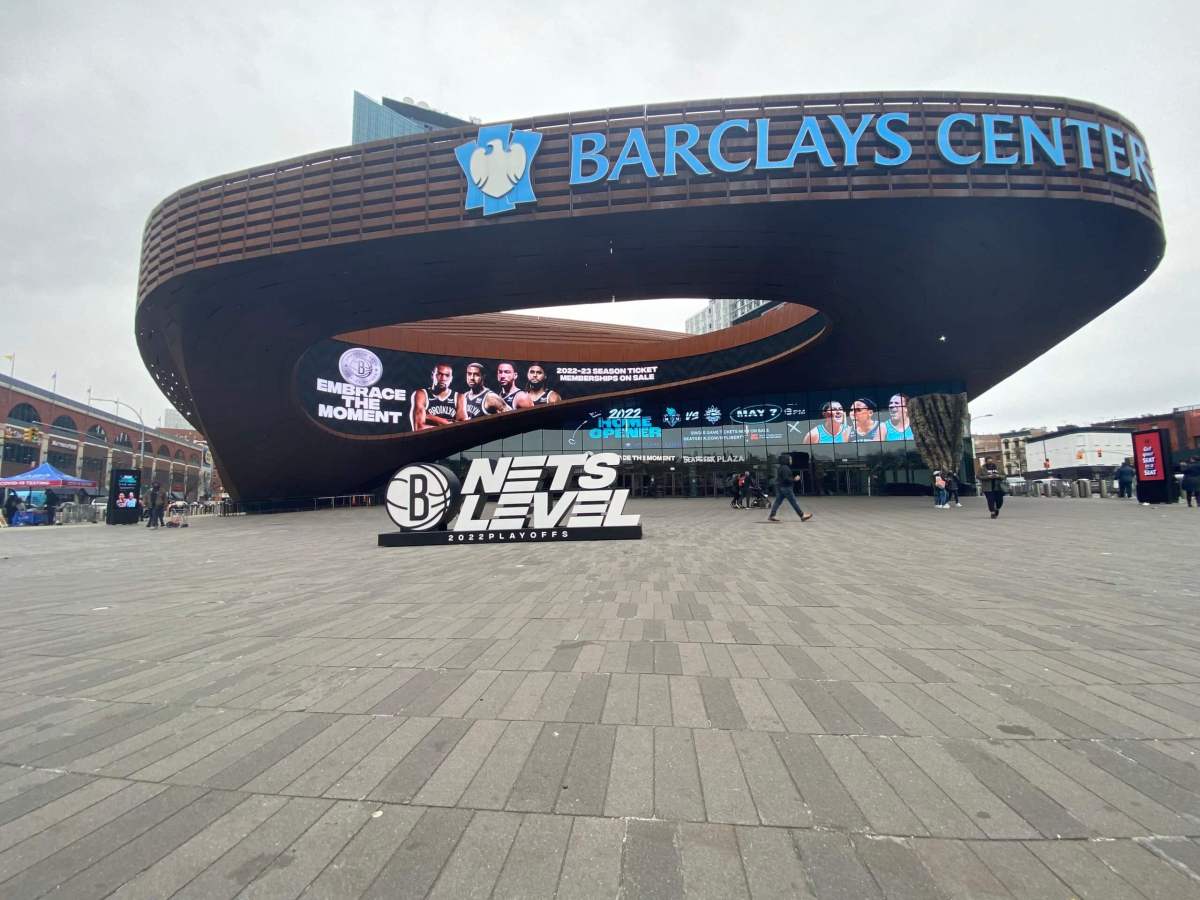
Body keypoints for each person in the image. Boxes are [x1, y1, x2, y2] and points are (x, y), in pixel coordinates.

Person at [410, 363, 464, 430]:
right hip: (429, 437)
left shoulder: (459, 397)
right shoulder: (421, 394)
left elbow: (463, 428)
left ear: (451, 379)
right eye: (439, 374)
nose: (443, 378)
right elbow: (419, 428)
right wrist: (448, 424)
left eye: (447, 375)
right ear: (432, 375)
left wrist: (431, 417)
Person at [768, 453, 814, 523]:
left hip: (780, 487)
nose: (791, 460)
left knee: (777, 502)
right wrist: (795, 479)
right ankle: (802, 515)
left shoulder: (781, 467)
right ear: (786, 460)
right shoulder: (785, 468)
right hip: (786, 488)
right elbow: (786, 479)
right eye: (790, 459)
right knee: (793, 502)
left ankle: (772, 515)